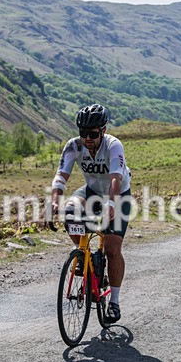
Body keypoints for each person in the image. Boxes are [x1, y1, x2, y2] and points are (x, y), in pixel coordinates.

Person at [50, 104, 132, 324]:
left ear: (103, 130)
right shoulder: (74, 146)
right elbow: (61, 176)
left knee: (112, 249)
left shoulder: (113, 145)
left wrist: (112, 205)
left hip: (118, 194)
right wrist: (54, 202)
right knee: (70, 211)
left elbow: (116, 178)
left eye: (93, 134)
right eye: (83, 133)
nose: (87, 138)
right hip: (91, 191)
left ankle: (114, 302)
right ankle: (83, 254)